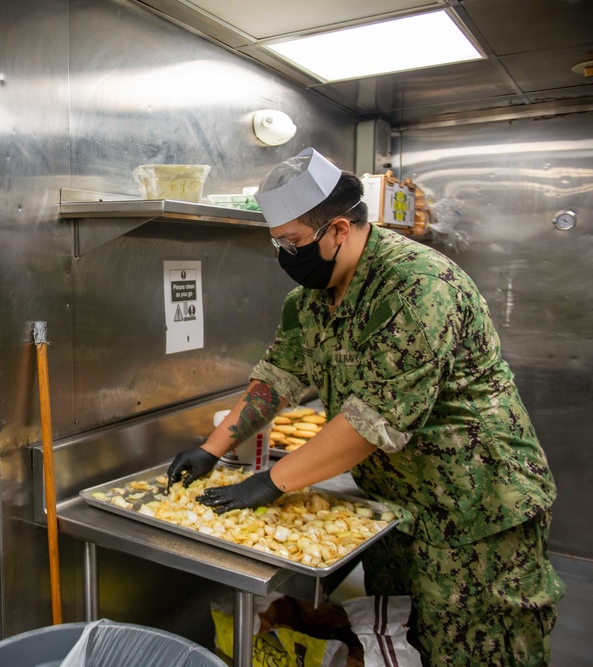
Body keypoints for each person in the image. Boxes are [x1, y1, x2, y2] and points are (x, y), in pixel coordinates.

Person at [166, 148, 564, 666]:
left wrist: (270, 482)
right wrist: (212, 450)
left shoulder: (419, 288)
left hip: (477, 511)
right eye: (277, 244)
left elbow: (369, 423)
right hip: (396, 509)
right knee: (401, 642)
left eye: (292, 242)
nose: (285, 256)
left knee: (476, 652)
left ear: (337, 230)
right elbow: (277, 378)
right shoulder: (311, 298)